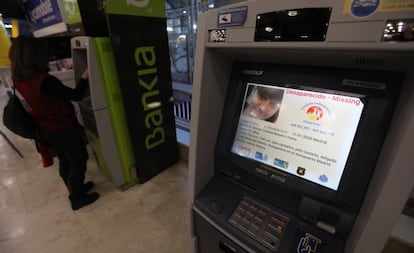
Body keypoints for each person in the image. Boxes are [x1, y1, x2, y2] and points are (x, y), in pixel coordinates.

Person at [8, 36, 99, 210]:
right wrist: (85, 77)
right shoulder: (45, 80)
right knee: (79, 159)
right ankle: (77, 198)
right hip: (63, 126)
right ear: (35, 55)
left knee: (65, 160)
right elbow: (77, 95)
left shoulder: (19, 79)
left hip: (47, 128)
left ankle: (75, 188)